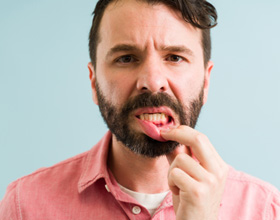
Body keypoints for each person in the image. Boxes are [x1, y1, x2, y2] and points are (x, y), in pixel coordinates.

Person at [0, 0, 279, 219]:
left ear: (206, 82)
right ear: (94, 82)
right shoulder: (23, 206)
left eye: (174, 57)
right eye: (126, 58)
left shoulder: (266, 210)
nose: (152, 82)